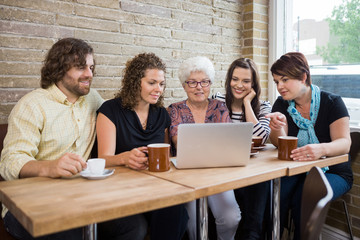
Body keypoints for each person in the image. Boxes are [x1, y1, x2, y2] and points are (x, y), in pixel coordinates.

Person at [0, 38, 104, 239]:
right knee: (69, 232)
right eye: (81, 67)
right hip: (29, 202)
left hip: (79, 196)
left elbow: (119, 115)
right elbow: (10, 162)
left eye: (91, 67)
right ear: (59, 68)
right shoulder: (32, 105)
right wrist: (50, 167)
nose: (89, 74)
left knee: (132, 226)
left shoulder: (93, 99)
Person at [96, 52, 188, 240]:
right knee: (140, 226)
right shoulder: (110, 110)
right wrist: (124, 158)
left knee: (177, 211)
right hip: (119, 189)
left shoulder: (162, 114)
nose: (158, 89)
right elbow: (102, 159)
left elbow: (165, 155)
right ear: (135, 82)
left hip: (152, 187)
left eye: (161, 84)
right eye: (152, 83)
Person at [266, 52, 353, 240]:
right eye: (276, 81)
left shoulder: (332, 102)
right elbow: (279, 143)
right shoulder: (282, 104)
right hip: (294, 168)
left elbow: (345, 143)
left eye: (285, 79)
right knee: (274, 194)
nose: (279, 86)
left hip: (333, 171)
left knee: (305, 198)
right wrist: (276, 128)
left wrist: (320, 149)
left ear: (303, 77)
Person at [168, 56, 241, 240]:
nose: (199, 87)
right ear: (184, 86)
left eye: (204, 82)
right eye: (192, 82)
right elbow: (179, 143)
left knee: (231, 217)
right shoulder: (174, 110)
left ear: (210, 84)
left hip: (218, 174)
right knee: (193, 222)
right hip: (186, 177)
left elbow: (229, 143)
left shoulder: (220, 107)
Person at [213, 58, 272, 240]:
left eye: (246, 81)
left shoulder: (264, 106)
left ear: (253, 84)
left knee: (263, 182)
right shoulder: (219, 100)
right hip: (224, 169)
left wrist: (247, 104)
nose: (239, 85)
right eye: (235, 79)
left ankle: (251, 235)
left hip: (249, 171)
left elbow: (261, 137)